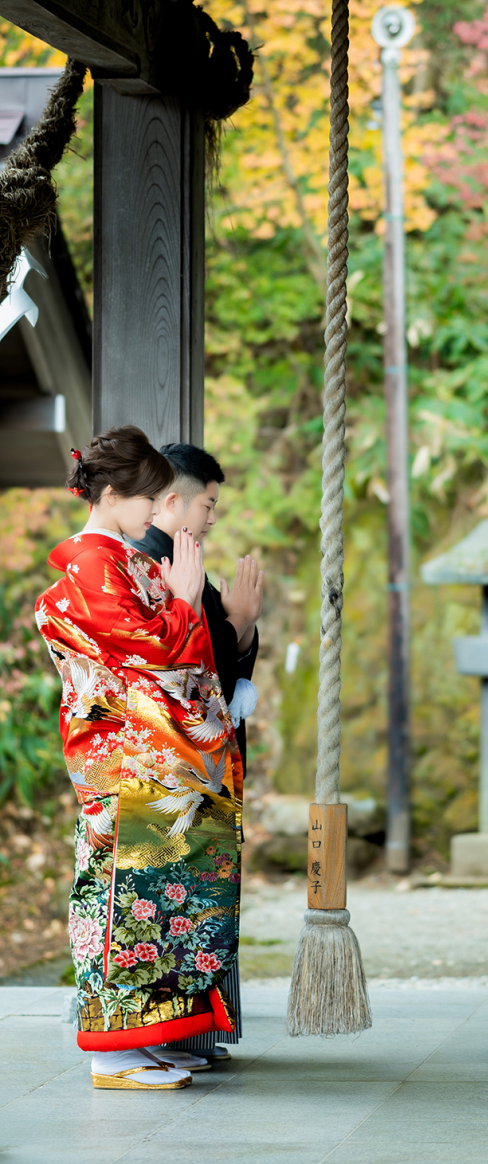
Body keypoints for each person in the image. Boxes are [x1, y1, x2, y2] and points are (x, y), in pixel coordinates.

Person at [35, 426, 243, 1090]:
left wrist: (189, 608)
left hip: (158, 760)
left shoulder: (123, 559)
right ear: (116, 493)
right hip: (128, 759)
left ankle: (150, 1039)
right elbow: (152, 655)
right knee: (127, 902)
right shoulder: (95, 564)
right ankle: (112, 1052)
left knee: (169, 904)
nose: (158, 513)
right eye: (149, 500)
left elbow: (179, 654)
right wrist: (185, 600)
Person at [131, 442, 263, 1063]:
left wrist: (238, 626)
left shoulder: (184, 564)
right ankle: (163, 1036)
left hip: (201, 756)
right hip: (164, 763)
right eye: (207, 505)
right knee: (171, 901)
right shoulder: (139, 567)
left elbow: (214, 667)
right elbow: (163, 672)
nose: (212, 518)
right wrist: (219, 622)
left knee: (201, 900)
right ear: (171, 499)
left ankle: (196, 1033)